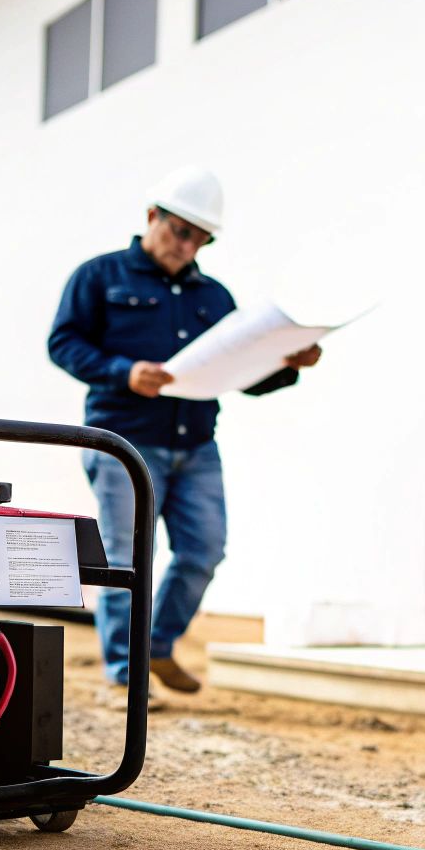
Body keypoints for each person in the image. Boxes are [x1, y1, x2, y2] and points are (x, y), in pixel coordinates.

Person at [48, 166, 322, 704]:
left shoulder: (215, 298)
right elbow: (63, 343)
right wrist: (124, 372)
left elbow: (241, 374)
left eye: (200, 238)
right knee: (126, 558)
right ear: (153, 217)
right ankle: (127, 675)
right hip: (124, 442)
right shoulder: (99, 277)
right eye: (180, 231)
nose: (188, 244)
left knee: (204, 550)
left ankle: (158, 644)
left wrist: (288, 364)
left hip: (196, 444)